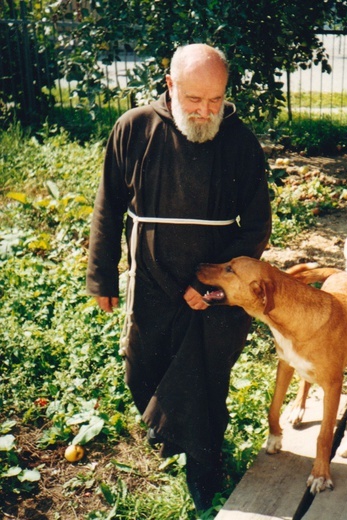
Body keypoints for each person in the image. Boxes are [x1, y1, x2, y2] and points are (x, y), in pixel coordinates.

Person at [86, 43, 272, 511]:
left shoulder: (240, 141)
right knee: (142, 363)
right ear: (170, 85)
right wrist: (101, 274)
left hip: (214, 286)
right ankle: (169, 440)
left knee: (205, 375)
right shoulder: (135, 128)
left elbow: (256, 228)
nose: (206, 111)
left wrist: (212, 287)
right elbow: (108, 205)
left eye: (216, 100)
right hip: (151, 275)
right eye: (194, 99)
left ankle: (205, 469)